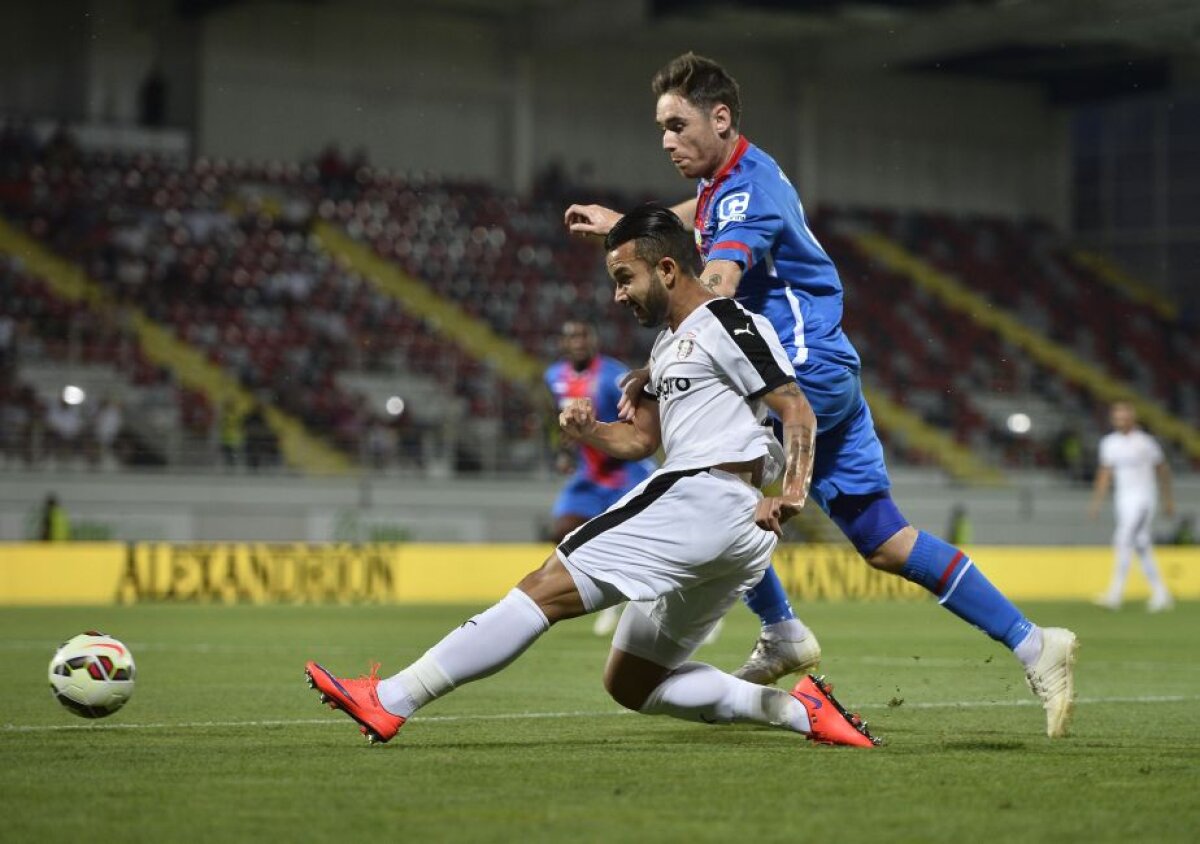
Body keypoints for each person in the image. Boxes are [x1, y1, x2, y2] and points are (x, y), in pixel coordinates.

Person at [564, 52, 1077, 737]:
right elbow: (696, 220)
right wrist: (626, 224)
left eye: (677, 124)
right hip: (827, 369)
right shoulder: (734, 177)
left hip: (796, 374)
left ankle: (781, 629)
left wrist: (659, 365)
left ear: (721, 118)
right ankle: (1034, 642)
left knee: (711, 476)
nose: (666, 140)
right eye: (661, 126)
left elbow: (716, 284)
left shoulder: (745, 194)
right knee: (884, 538)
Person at [304, 206, 878, 749]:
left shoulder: (726, 321)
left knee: (544, 587)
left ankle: (392, 698)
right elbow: (640, 441)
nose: (618, 294)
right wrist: (590, 430)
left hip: (704, 495)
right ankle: (801, 712)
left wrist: (793, 493)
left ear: (667, 269)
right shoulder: (668, 345)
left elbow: (796, 407)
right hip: (731, 526)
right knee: (633, 683)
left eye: (625, 278)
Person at [544, 319, 656, 636]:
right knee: (562, 530)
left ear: (593, 341)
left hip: (627, 470)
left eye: (584, 335)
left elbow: (637, 416)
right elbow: (555, 418)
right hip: (590, 475)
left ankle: (641, 598)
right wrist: (563, 452)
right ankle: (609, 594)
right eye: (572, 336)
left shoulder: (613, 374)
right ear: (563, 344)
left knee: (639, 540)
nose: (578, 342)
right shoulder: (553, 376)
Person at [1088, 400, 1175, 611]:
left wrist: (1168, 500)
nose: (1120, 420)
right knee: (1141, 545)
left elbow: (1162, 470)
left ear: (1132, 418)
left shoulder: (1145, 442)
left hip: (1144, 500)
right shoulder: (1109, 443)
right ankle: (1161, 593)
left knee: (1122, 539)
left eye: (1124, 416)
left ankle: (1115, 594)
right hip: (1123, 500)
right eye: (1117, 416)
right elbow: (1105, 474)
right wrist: (1096, 502)